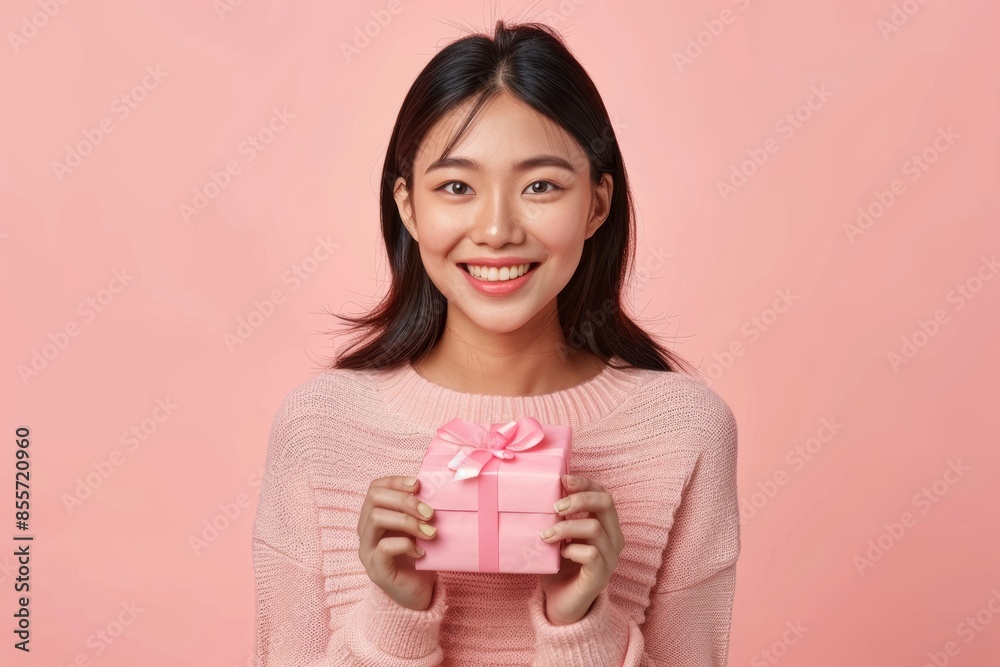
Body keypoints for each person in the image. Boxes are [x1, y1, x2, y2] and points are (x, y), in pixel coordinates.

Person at [252, 19, 740, 666]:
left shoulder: (685, 433)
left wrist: (581, 626)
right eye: (457, 186)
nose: (497, 229)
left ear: (596, 205)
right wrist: (394, 616)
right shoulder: (318, 430)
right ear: (407, 206)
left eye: (541, 186)